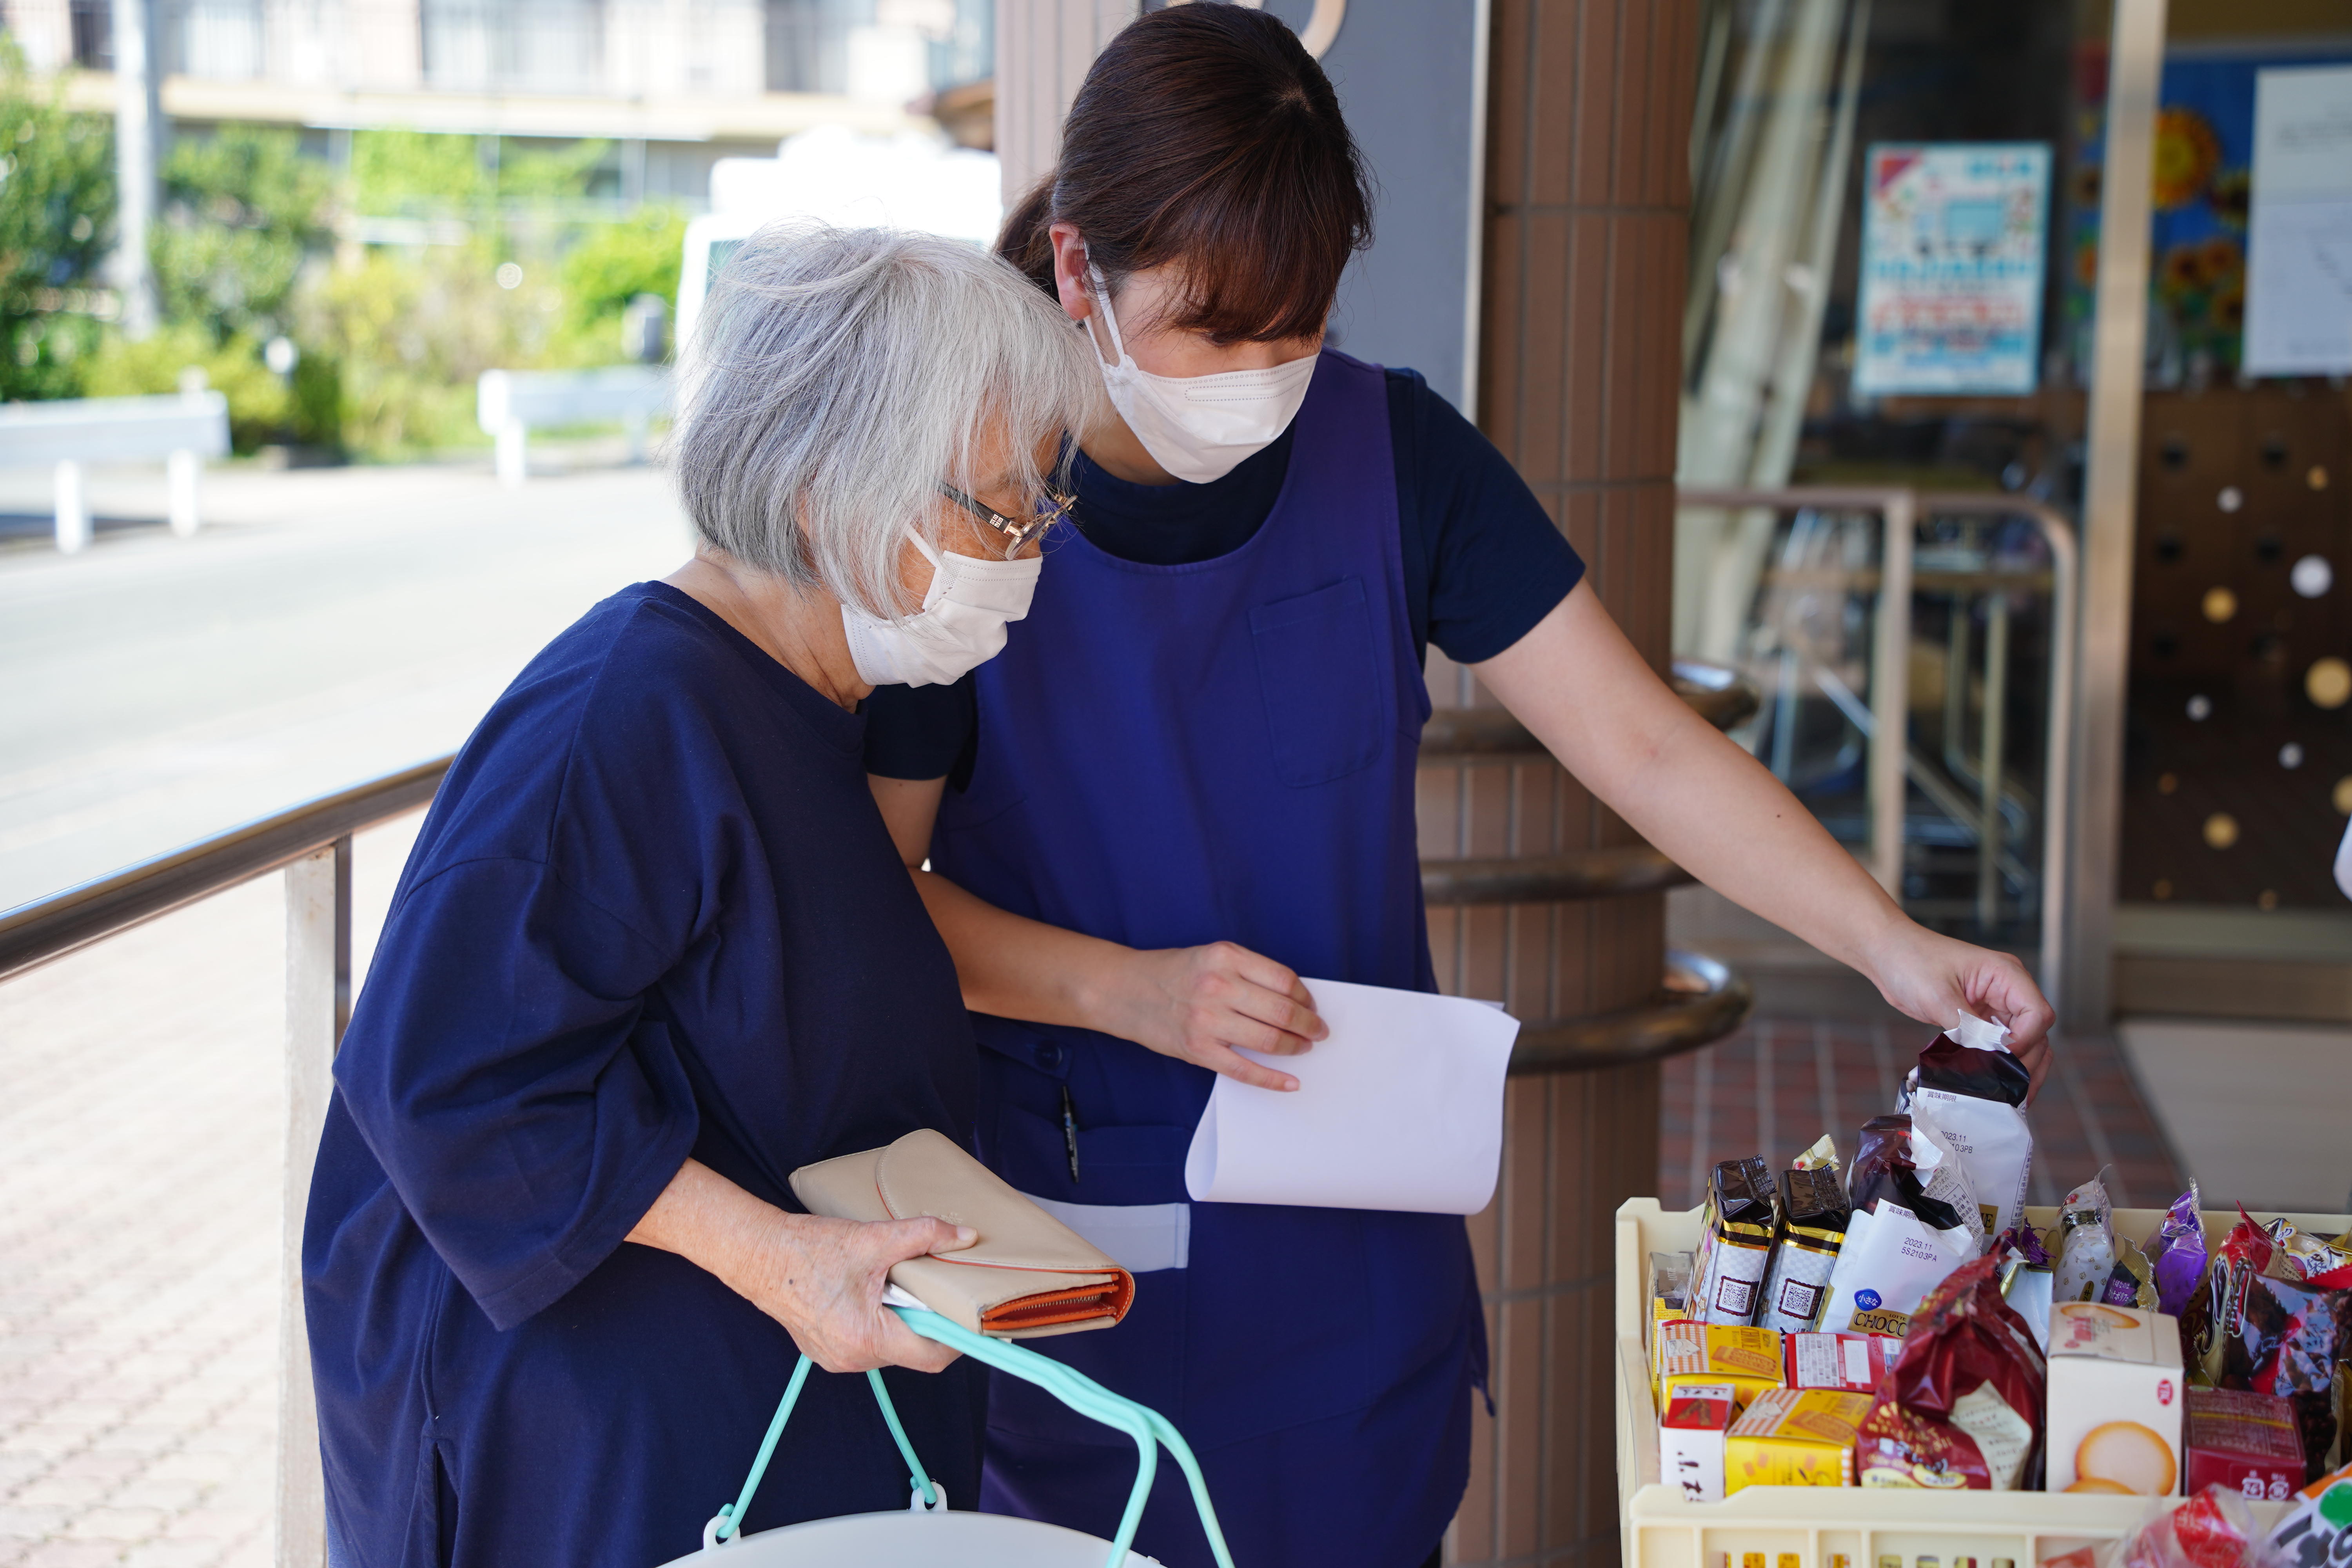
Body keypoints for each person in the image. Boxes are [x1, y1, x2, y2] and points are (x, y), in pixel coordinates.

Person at [862, 9, 2060, 1568]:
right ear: (1079, 270)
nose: (1266, 377)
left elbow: (1637, 743)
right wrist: (1128, 993)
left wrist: (1894, 943)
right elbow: (876, 896)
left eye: (1298, 327)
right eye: (1217, 330)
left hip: (1360, 1226)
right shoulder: (965, 500)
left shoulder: (1392, 451)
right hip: (1083, 1223)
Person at [302, 223, 1098, 1568]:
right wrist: (779, 1259)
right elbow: (445, 1082)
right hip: (590, 1457)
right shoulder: (623, 715)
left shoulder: (805, 702)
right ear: (825, 496)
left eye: (1039, 512)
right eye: (996, 512)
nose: (1025, 553)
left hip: (749, 1422)